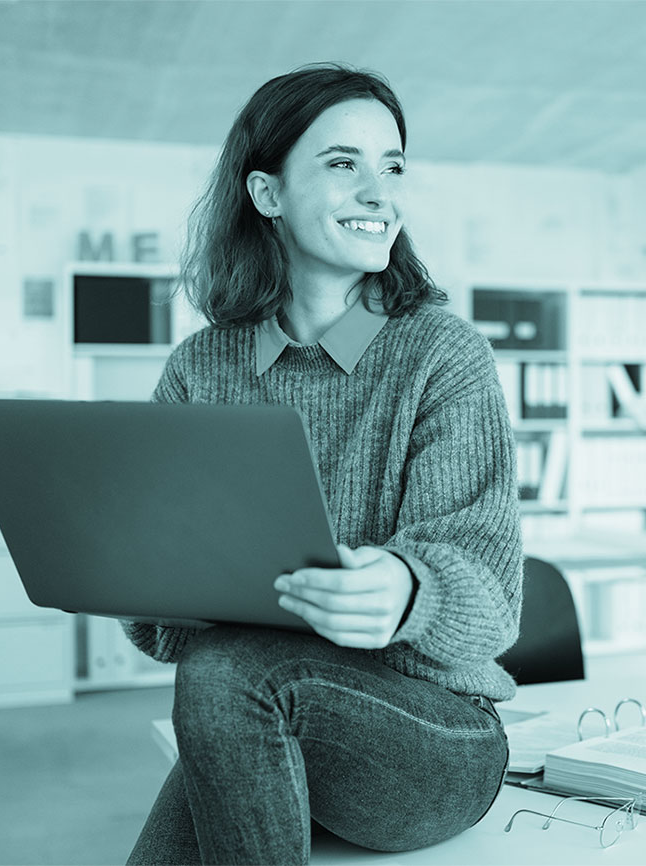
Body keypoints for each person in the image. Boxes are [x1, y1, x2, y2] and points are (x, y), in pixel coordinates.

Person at [123, 63, 522, 865]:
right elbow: (157, 629)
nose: (381, 194)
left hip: (435, 736)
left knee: (224, 671)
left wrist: (409, 588)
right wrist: (129, 564)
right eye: (344, 163)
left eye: (393, 166)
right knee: (222, 673)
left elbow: (493, 595)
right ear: (266, 194)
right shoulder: (202, 368)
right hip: (256, 702)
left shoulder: (444, 355)